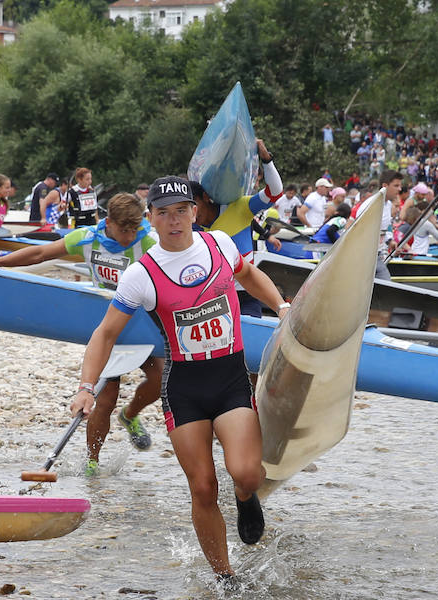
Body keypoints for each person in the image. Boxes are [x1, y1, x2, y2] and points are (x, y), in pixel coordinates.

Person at [71, 176, 290, 577]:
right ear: (150, 218)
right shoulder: (141, 274)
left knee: (246, 473)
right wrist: (87, 388)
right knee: (203, 486)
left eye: (181, 211)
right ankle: (225, 577)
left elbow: (248, 275)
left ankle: (245, 496)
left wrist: (281, 306)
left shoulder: (220, 243)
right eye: (164, 213)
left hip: (229, 378)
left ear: (194, 211)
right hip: (184, 388)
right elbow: (104, 333)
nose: (174, 221)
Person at [0, 193, 163, 475]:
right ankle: (92, 463)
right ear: (108, 222)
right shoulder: (88, 238)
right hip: (107, 327)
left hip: (142, 325)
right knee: (104, 398)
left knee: (160, 380)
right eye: (123, 230)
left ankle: (130, 416)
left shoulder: (150, 243)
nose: (129, 237)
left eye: (133, 230)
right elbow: (41, 254)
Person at [189, 139, 283, 318]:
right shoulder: (190, 227)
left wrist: (266, 159)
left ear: (205, 197)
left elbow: (275, 191)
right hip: (211, 299)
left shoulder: (239, 207)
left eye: (194, 204)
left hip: (246, 295)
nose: (191, 212)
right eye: (185, 208)